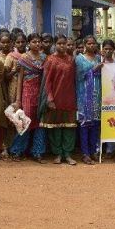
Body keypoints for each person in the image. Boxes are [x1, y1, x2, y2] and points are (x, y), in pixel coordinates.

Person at [38, 35, 78, 165]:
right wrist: (49, 99)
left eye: (64, 43)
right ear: (55, 44)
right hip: (54, 98)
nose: (62, 46)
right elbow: (47, 81)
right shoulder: (50, 60)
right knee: (55, 129)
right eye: (59, 43)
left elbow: (75, 80)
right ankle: (58, 154)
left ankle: (68, 154)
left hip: (69, 99)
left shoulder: (71, 60)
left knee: (69, 129)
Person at [10, 33, 47, 163]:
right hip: (27, 92)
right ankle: (17, 151)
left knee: (39, 122)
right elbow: (19, 79)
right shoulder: (24, 58)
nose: (37, 44)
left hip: (41, 93)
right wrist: (18, 99)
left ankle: (38, 152)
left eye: (39, 42)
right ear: (29, 43)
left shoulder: (44, 58)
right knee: (25, 122)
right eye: (34, 42)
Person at [76, 35, 103, 165]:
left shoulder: (99, 58)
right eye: (89, 44)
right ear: (85, 44)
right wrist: (93, 70)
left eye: (94, 44)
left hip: (97, 96)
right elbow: (79, 76)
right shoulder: (79, 59)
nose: (92, 46)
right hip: (84, 96)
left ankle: (93, 151)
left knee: (95, 125)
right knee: (84, 125)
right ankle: (85, 153)